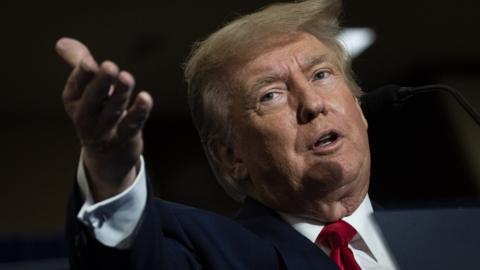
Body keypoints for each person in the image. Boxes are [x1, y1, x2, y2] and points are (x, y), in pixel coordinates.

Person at [57, 0, 397, 269]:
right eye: (271, 95)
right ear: (231, 157)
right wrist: (108, 170)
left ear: (359, 107)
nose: (311, 104)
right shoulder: (206, 253)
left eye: (321, 74)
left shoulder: (442, 232)